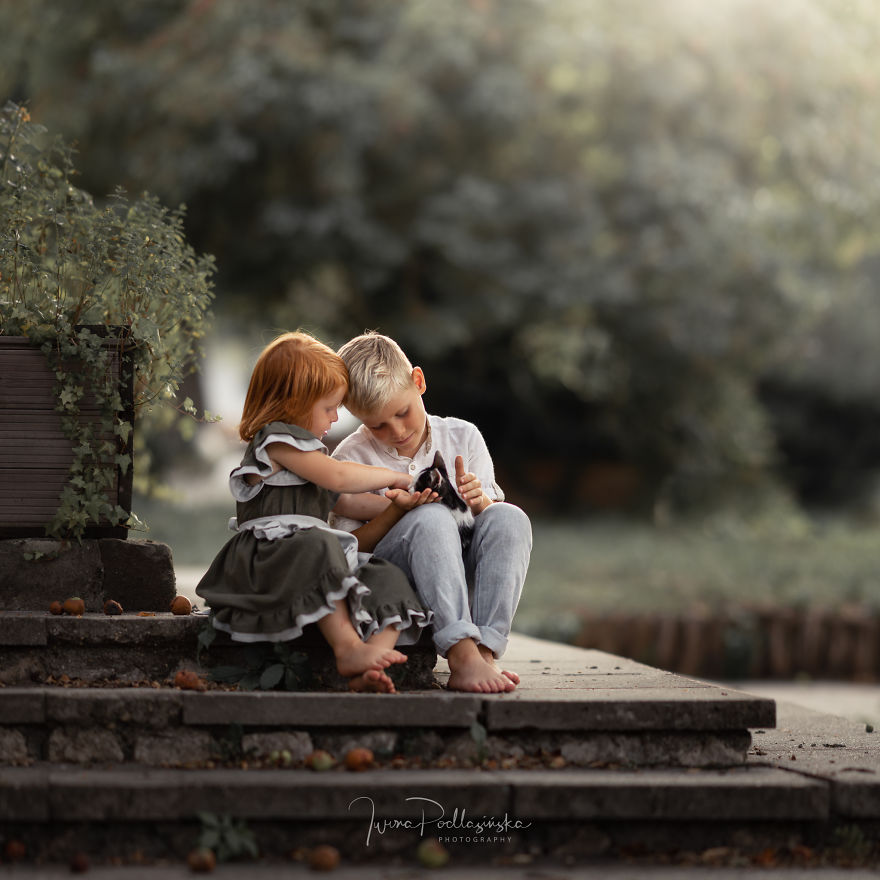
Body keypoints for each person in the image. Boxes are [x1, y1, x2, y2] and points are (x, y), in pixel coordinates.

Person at [196, 331, 433, 693]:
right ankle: (348, 648)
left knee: (385, 574)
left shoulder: (311, 456)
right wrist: (396, 476)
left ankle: (374, 658)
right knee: (318, 545)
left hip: (312, 551)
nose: (336, 418)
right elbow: (338, 477)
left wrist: (400, 504)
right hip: (271, 555)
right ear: (293, 402)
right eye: (329, 407)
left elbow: (348, 502)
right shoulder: (276, 442)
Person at [330, 332, 532, 694]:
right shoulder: (349, 458)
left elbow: (491, 522)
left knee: (510, 517)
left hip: (461, 578)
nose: (397, 431)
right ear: (354, 415)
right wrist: (396, 512)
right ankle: (460, 652)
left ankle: (484, 650)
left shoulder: (463, 436)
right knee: (432, 518)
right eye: (378, 426)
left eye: (402, 412)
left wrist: (479, 501)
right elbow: (346, 547)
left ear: (418, 382)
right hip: (396, 581)